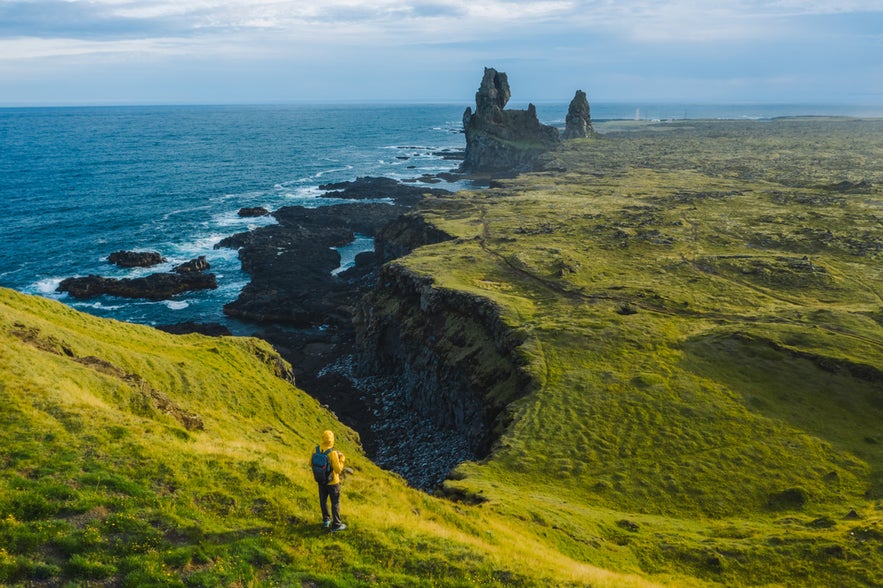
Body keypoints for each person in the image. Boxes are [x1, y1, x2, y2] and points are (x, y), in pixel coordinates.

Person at [315, 430, 346, 531]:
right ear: (332, 440)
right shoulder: (333, 453)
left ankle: (326, 520)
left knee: (323, 501)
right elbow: (338, 470)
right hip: (333, 482)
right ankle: (336, 524)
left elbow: (311, 463)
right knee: (335, 502)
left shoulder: (315, 450)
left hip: (321, 480)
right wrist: (341, 458)